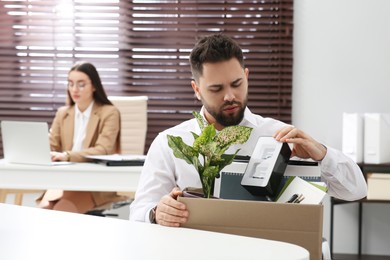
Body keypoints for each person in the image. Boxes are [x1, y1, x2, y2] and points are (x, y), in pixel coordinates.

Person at [129, 33, 367, 226]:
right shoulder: (170, 142)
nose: (230, 96)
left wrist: (322, 154)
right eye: (216, 88)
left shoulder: (280, 136)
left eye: (236, 84)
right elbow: (138, 213)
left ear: (246, 76)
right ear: (196, 89)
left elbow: (356, 191)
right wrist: (157, 213)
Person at [37, 61, 125, 213]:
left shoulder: (110, 112)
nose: (74, 89)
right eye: (70, 84)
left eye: (81, 84)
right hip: (62, 180)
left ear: (94, 86)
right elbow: (52, 145)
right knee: (44, 210)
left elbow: (103, 150)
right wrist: (39, 146)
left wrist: (67, 155)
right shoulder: (63, 113)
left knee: (60, 211)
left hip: (92, 183)